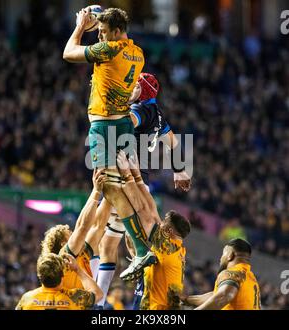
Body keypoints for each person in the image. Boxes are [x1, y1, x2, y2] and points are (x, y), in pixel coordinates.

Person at [63, 7, 154, 277]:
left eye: (103, 32)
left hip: (104, 125)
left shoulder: (109, 49)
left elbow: (69, 52)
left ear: (115, 31)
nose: (100, 37)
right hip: (123, 123)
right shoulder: (137, 52)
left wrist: (80, 27)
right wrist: (97, 24)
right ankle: (140, 249)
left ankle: (140, 249)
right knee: (120, 187)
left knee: (107, 186)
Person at [95, 73, 192, 308]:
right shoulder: (156, 113)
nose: (131, 87)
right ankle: (106, 299)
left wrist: (110, 102)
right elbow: (173, 141)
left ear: (143, 89)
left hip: (127, 179)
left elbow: (128, 121)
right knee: (108, 245)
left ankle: (97, 302)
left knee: (101, 235)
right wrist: (180, 170)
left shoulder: (141, 110)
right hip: (137, 179)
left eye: (135, 84)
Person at [116, 151, 191, 310]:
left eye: (163, 223)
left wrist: (126, 174)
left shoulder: (166, 247)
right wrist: (136, 174)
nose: (160, 223)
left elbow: (143, 210)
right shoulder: (175, 247)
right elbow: (151, 208)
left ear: (169, 231)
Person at [40, 170, 111, 290]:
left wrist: (111, 191)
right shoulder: (64, 258)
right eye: (69, 234)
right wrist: (96, 191)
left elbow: (97, 227)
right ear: (63, 244)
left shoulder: (80, 255)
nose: (73, 234)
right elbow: (82, 227)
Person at [180, 239, 261, 310]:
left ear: (230, 255)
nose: (221, 258)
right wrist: (188, 300)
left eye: (223, 254)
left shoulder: (231, 273)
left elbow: (223, 296)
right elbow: (216, 295)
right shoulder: (251, 278)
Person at [15, 253, 103, 310]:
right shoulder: (75, 297)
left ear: (39, 276)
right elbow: (98, 294)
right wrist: (77, 269)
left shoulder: (27, 299)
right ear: (62, 277)